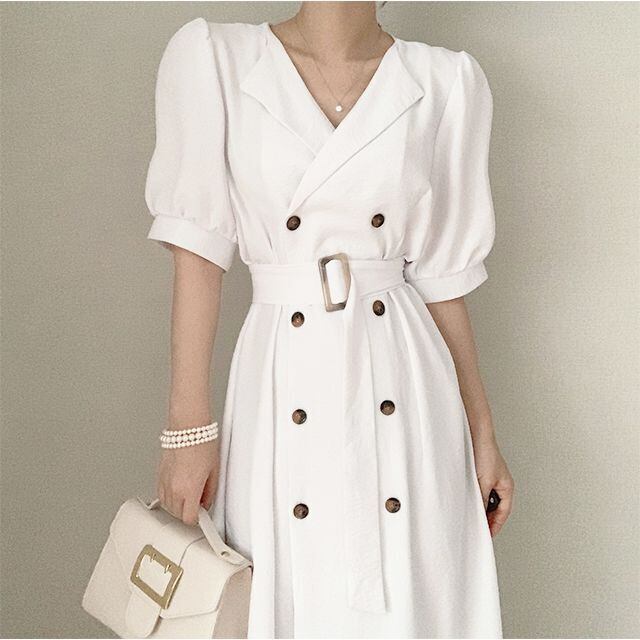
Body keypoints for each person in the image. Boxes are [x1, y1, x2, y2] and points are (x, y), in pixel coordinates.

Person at [144, 1, 514, 637]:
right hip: (281, 374)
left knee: (409, 595)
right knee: (287, 592)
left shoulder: (445, 80)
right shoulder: (215, 59)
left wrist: (481, 431)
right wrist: (187, 428)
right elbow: (198, 256)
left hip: (404, 377)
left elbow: (443, 281)